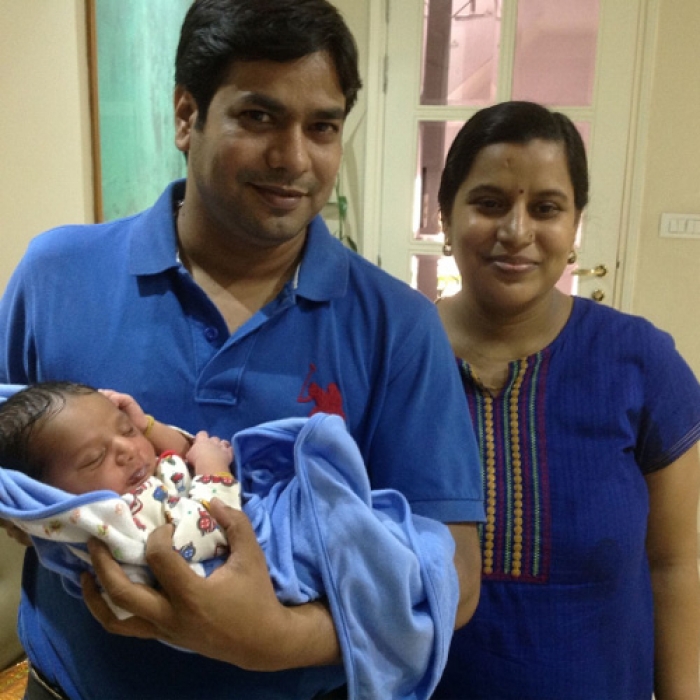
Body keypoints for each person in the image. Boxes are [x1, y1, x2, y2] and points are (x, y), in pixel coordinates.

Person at [0, 1, 484, 698]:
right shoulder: (55, 277)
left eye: (322, 127)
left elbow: (454, 575)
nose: (294, 158)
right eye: (258, 117)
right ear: (186, 115)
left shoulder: (398, 326)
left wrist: (275, 639)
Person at [432, 100, 700, 700]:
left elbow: (675, 564)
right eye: (489, 203)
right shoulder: (395, 359)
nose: (516, 231)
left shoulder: (639, 363)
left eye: (546, 208)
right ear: (446, 216)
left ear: (575, 223)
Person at [0, 382, 240, 583]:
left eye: (127, 430)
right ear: (47, 493)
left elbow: (183, 458)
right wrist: (213, 469)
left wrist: (147, 427)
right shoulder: (120, 518)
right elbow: (212, 533)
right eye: (95, 458)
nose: (129, 450)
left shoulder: (136, 477)